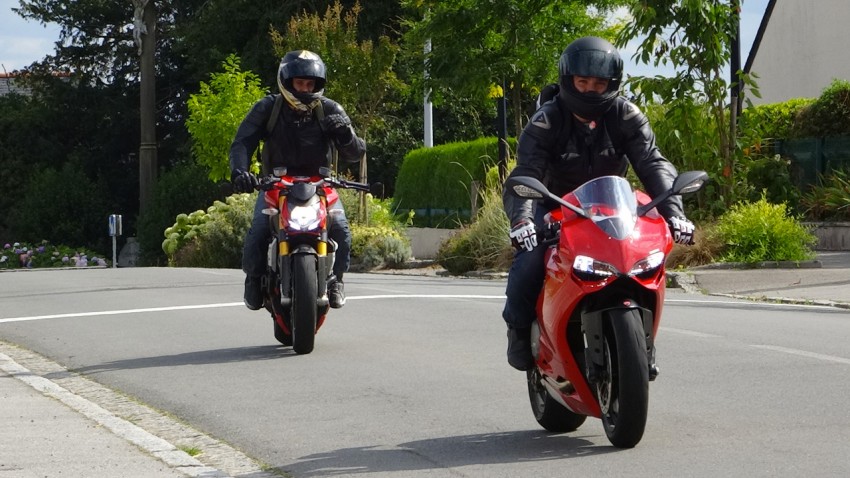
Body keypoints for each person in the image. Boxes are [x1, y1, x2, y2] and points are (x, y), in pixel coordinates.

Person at [501, 36, 696, 371]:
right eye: (583, 81)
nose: (591, 89)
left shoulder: (626, 115)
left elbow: (652, 163)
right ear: (568, 81)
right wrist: (522, 221)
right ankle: (519, 330)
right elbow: (527, 172)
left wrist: (675, 214)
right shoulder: (547, 121)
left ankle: (641, 340)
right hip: (551, 203)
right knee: (531, 259)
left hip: (609, 206)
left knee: (640, 259)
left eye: (599, 83)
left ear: (612, 84)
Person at [229, 50, 366, 311]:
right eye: (300, 83)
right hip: (276, 184)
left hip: (320, 185)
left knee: (341, 230)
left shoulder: (330, 110)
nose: (305, 89)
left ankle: (337, 280)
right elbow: (242, 143)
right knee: (258, 232)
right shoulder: (268, 108)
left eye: (310, 84)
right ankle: (254, 279)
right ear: (287, 82)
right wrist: (240, 172)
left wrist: (345, 134)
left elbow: (355, 153)